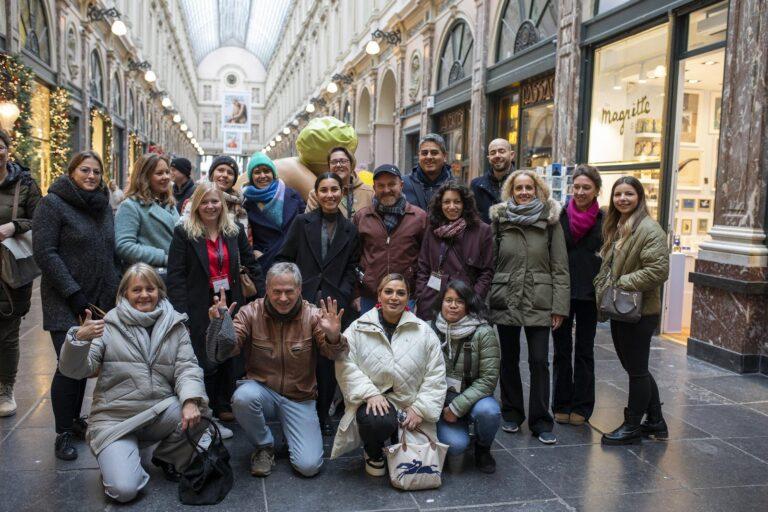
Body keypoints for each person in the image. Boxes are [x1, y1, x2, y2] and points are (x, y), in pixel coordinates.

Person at [58, 264, 207, 503]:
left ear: (160, 291)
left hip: (158, 411)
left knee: (199, 408)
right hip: (115, 418)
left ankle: (167, 457)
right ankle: (120, 459)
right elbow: (74, 370)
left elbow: (187, 368)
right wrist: (78, 339)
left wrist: (190, 400)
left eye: (150, 288)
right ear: (124, 294)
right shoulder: (107, 325)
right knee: (124, 490)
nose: (144, 295)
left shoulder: (175, 324)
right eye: (136, 289)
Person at [206, 262, 348, 478]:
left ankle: (292, 433)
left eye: (289, 291)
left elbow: (336, 354)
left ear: (299, 289)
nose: (283, 298)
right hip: (262, 392)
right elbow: (225, 351)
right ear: (267, 288)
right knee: (243, 397)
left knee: (309, 467)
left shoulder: (313, 315)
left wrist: (334, 336)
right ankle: (264, 446)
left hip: (299, 397)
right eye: (277, 291)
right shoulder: (250, 312)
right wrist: (220, 325)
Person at [33, 150, 120, 460]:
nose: (91, 176)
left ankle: (73, 419)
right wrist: (73, 293)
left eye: (96, 171)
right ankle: (63, 433)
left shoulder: (103, 206)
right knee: (69, 365)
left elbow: (109, 253)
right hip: (66, 300)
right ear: (71, 172)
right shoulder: (52, 204)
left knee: (84, 366)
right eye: (85, 170)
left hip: (99, 300)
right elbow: (45, 253)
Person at [167, 182, 264, 433]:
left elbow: (251, 262)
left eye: (215, 201)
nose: (210, 206)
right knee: (204, 354)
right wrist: (181, 313)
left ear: (222, 204)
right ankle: (205, 407)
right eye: (205, 202)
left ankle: (224, 401)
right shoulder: (184, 233)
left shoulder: (233, 231)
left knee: (229, 347)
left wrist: (260, 291)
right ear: (196, 204)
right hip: (199, 301)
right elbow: (176, 275)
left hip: (231, 299)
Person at [331, 274, 446, 477]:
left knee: (415, 467)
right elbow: (345, 364)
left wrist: (420, 408)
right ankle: (373, 451)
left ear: (408, 297)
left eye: (401, 293)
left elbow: (436, 374)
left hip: (410, 403)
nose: (394, 297)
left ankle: (397, 437)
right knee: (378, 421)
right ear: (379, 296)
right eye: (389, 291)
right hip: (374, 402)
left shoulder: (425, 332)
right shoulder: (358, 328)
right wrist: (369, 393)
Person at [488, 170, 569, 445]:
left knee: (538, 361)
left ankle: (541, 421)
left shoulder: (550, 222)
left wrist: (559, 307)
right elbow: (491, 262)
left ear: (538, 191)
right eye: (518, 188)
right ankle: (511, 413)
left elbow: (560, 267)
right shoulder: (499, 220)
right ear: (511, 192)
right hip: (505, 296)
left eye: (529, 188)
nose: (524, 192)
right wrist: (487, 300)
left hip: (539, 298)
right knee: (508, 359)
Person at [276, 172, 359, 436]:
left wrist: (344, 293)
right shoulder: (302, 222)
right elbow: (285, 258)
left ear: (342, 193)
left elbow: (352, 267)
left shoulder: (350, 229)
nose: (330, 195)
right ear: (316, 193)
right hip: (303, 300)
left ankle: (322, 415)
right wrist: (291, 294)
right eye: (324, 190)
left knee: (326, 365)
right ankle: (294, 413)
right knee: (299, 358)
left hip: (334, 304)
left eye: (335, 189)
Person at [595, 176, 669, 445]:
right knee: (635, 368)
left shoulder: (649, 229)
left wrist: (621, 283)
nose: (623, 199)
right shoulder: (620, 226)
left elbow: (658, 270)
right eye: (618, 194)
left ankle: (632, 426)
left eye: (629, 194)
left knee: (636, 370)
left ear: (639, 197)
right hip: (622, 307)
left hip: (640, 311)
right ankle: (656, 422)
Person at [552, 165, 604, 426]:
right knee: (561, 350)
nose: (581, 192)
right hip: (562, 292)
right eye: (577, 187)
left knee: (585, 350)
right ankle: (561, 402)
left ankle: (582, 407)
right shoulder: (559, 216)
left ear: (596, 190)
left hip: (590, 294)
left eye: (587, 187)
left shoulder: (604, 219)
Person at [432, 280, 500, 473]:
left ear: (468, 305)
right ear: (441, 303)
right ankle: (457, 436)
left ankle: (483, 448)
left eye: (459, 302)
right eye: (448, 300)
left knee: (489, 411)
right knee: (456, 446)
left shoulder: (484, 332)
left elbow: (488, 380)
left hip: (473, 398)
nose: (453, 306)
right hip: (440, 401)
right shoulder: (431, 329)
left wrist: (456, 407)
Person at [0, 129, 42, 417]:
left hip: (10, 268)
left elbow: (41, 220)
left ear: (7, 149)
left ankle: (5, 388)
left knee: (7, 332)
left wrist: (14, 226)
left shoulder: (24, 184)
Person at [354, 164, 428, 314]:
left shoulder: (419, 217)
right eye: (381, 185)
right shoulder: (362, 217)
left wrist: (420, 295)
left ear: (401, 185)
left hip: (406, 296)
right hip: (370, 296)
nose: (386, 190)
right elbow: (353, 258)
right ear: (374, 188)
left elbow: (426, 260)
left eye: (391, 184)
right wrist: (356, 294)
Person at [415, 182, 493, 321]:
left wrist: (472, 299)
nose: (452, 207)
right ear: (440, 205)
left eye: (457, 202)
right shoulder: (432, 230)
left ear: (465, 204)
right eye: (447, 202)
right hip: (432, 301)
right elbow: (423, 267)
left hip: (466, 303)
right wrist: (423, 295)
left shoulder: (482, 230)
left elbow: (487, 272)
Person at [115, 153, 179, 275]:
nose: (166, 177)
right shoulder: (130, 206)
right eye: (159, 173)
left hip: (173, 275)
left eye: (167, 172)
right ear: (145, 177)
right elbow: (124, 246)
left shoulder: (169, 204)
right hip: (148, 278)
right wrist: (163, 257)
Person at [242, 151, 305, 273]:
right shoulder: (246, 203)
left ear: (273, 173)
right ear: (251, 176)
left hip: (294, 260)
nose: (262, 175)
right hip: (266, 263)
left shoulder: (292, 195)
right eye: (257, 172)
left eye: (266, 171)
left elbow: (305, 223)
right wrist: (255, 252)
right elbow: (245, 235)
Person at [305, 147, 374, 218]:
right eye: (334, 162)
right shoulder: (317, 194)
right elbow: (309, 223)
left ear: (351, 165)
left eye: (343, 161)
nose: (338, 165)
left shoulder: (369, 192)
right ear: (329, 167)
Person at [402, 133, 455, 211]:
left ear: (444, 156)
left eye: (434, 153)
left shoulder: (456, 186)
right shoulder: (403, 185)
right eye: (424, 153)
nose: (429, 157)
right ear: (419, 156)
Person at [471, 139, 516, 224]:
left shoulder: (522, 184)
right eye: (493, 153)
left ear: (511, 155)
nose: (497, 155)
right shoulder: (476, 185)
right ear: (489, 158)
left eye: (502, 151)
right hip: (486, 236)